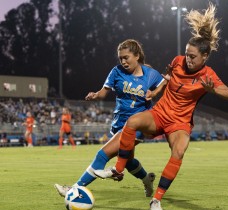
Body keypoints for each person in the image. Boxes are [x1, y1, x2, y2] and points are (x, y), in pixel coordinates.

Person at [96, 4, 228, 210]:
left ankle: (157, 199)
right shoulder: (178, 61)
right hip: (160, 113)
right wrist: (156, 92)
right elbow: (168, 78)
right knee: (132, 122)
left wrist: (212, 90)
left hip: (180, 122)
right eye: (187, 54)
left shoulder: (208, 75)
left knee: (178, 152)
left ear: (204, 57)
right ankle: (117, 170)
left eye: (193, 56)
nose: (188, 58)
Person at [54, 39, 166, 198]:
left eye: (126, 57)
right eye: (121, 58)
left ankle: (73, 190)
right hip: (119, 122)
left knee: (102, 154)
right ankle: (146, 179)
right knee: (128, 161)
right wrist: (95, 95)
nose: (123, 61)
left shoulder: (151, 75)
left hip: (137, 126)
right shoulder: (116, 71)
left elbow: (166, 83)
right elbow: (103, 92)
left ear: (137, 55)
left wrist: (155, 93)